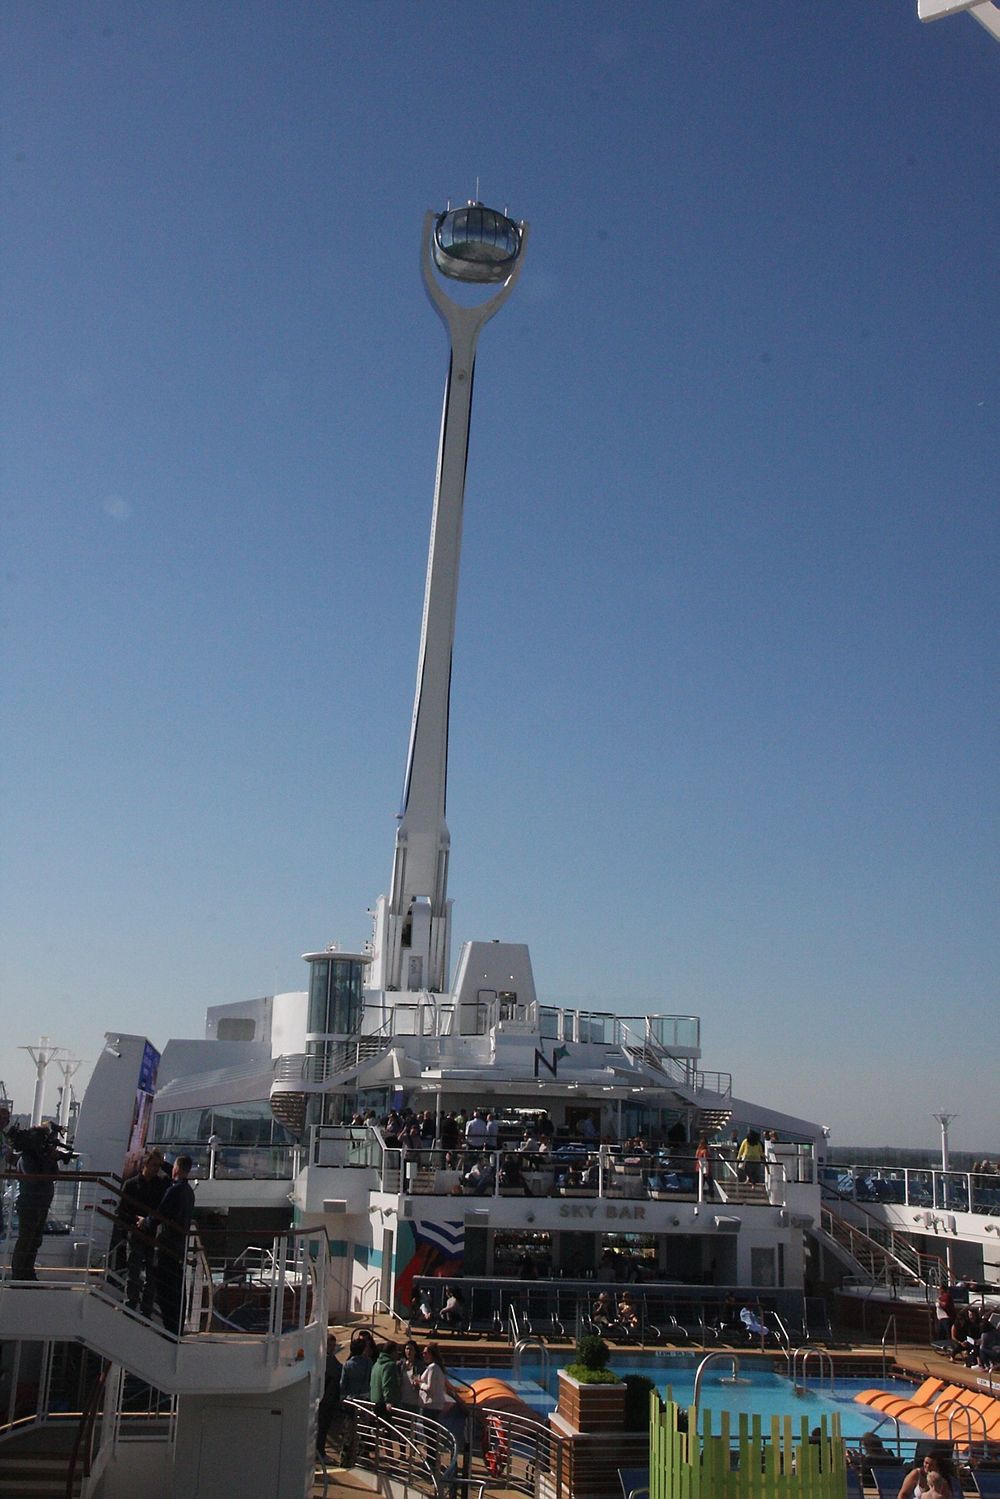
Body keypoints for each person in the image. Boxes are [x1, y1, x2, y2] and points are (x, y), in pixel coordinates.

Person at [118, 1149, 169, 1315]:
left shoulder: (161, 1185)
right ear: (145, 1164)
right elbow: (121, 1211)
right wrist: (136, 1220)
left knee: (151, 1276)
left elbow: (164, 1210)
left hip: (153, 1235)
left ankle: (146, 1310)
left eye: (158, 1166)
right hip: (136, 1234)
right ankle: (130, 1307)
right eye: (153, 1165)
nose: (156, 1169)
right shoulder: (131, 1184)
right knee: (133, 1273)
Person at [10, 1122, 62, 1281]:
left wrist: (51, 1159)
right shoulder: (26, 1158)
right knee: (26, 1240)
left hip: (41, 1202)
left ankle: (28, 1272)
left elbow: (54, 1175)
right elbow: (34, 1179)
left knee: (35, 1240)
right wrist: (48, 1160)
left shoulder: (41, 1157)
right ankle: (19, 1274)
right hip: (29, 1203)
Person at [155, 1155, 195, 1334]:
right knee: (177, 1287)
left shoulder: (174, 1191)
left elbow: (161, 1213)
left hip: (168, 1244)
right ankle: (177, 1327)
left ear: (176, 1169)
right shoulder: (188, 1192)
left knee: (165, 1288)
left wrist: (145, 1222)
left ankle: (170, 1328)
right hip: (179, 1245)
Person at [370, 1341, 402, 1417]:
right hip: (384, 1405)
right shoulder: (390, 1365)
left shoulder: (376, 1364)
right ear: (393, 1352)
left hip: (374, 1400)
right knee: (387, 1427)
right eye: (397, 1351)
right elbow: (388, 1384)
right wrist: (389, 1401)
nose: (398, 1354)